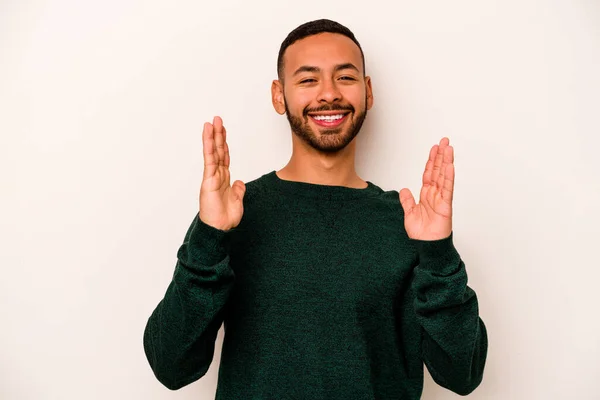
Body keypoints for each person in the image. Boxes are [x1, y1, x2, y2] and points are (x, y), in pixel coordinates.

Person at [143, 19, 488, 399]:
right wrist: (209, 236)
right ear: (279, 95)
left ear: (368, 91)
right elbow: (171, 365)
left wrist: (438, 253)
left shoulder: (408, 223)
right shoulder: (234, 213)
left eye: (345, 77)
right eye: (308, 80)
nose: (329, 94)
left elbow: (462, 374)